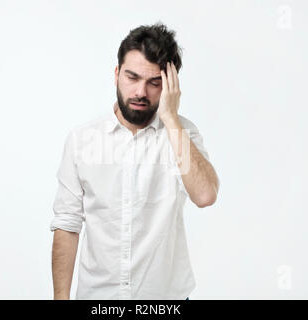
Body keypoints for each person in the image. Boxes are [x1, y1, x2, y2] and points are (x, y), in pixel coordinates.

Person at [51, 22, 220, 300]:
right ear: (117, 74)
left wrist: (170, 118)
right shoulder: (82, 140)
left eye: (154, 82)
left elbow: (205, 195)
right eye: (132, 77)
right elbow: (67, 224)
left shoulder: (182, 134)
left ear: (170, 86)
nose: (141, 92)